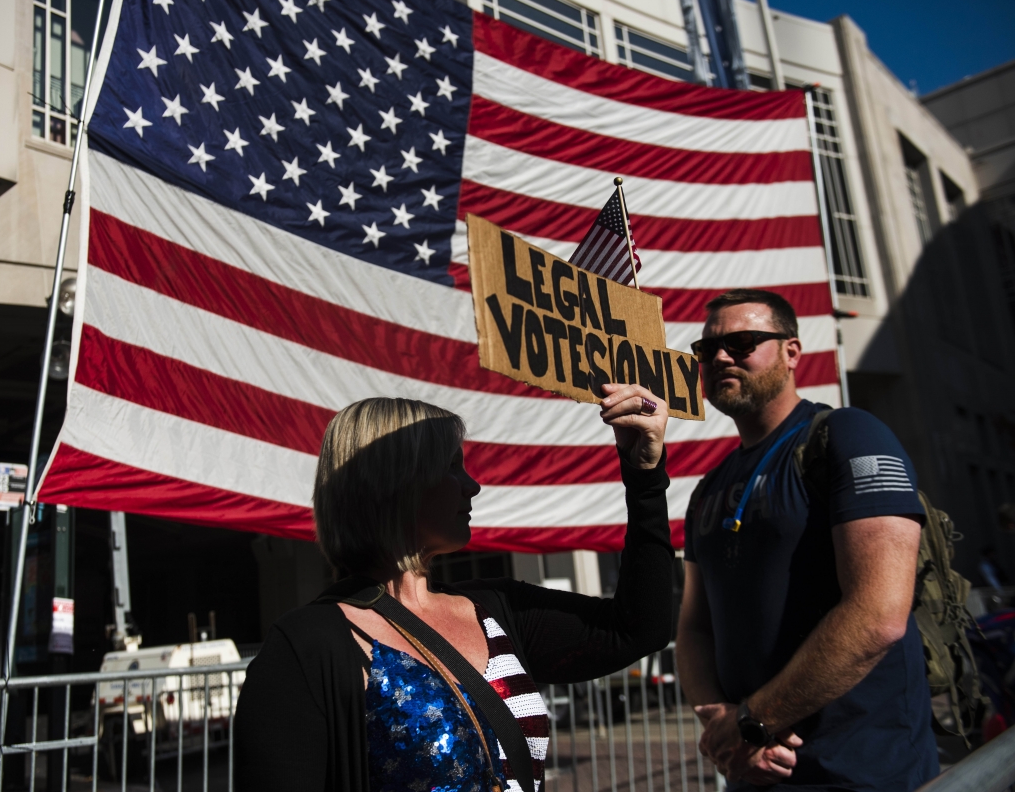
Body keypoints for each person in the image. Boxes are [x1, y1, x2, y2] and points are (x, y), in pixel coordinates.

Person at [234, 387, 674, 791]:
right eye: (451, 466)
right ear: (395, 482)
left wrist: (645, 477)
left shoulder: (496, 607)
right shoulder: (307, 647)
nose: (473, 486)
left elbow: (637, 629)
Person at [676, 289, 938, 791]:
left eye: (744, 342)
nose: (721, 357)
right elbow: (693, 629)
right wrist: (724, 726)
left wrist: (754, 721)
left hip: (863, 773)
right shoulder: (708, 488)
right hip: (754, 773)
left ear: (792, 353)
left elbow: (879, 613)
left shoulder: (849, 435)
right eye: (707, 350)